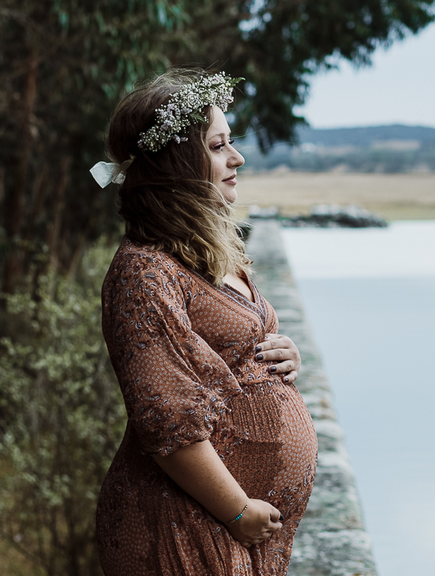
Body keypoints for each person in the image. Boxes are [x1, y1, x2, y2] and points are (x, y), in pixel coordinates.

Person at [94, 69, 316, 575]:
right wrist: (236, 510)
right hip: (180, 526)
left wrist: (283, 356)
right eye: (219, 147)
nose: (237, 158)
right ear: (177, 163)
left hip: (226, 524)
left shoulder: (205, 250)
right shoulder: (143, 273)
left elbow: (235, 349)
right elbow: (166, 421)